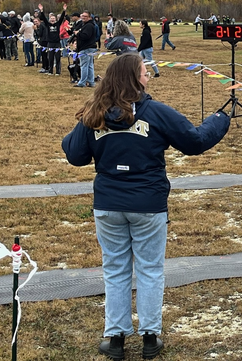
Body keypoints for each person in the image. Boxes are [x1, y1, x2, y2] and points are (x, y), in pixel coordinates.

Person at [62, 53, 230, 360]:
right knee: (151, 270)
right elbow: (194, 141)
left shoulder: (96, 112)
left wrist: (84, 127)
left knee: (115, 270)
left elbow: (74, 154)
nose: (148, 76)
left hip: (109, 206)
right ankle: (150, 336)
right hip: (148, 206)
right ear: (133, 78)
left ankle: (115, 337)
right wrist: (220, 120)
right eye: (144, 72)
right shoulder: (154, 113)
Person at [74, 11, 99, 88]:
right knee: (90, 65)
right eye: (82, 16)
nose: (83, 17)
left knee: (84, 66)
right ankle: (91, 82)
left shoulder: (88, 26)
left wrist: (78, 34)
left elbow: (85, 36)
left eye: (85, 16)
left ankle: (82, 82)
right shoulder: (88, 25)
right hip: (89, 48)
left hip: (86, 48)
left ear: (89, 17)